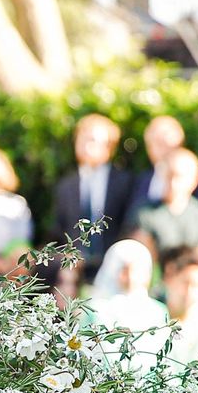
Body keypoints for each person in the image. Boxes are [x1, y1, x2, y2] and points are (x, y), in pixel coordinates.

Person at [50, 114, 134, 278]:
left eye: (93, 140)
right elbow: (58, 230)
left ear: (110, 147)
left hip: (114, 268)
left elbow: (129, 224)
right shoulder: (66, 186)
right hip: (73, 273)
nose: (86, 145)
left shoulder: (125, 182)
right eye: (82, 139)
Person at [127, 115, 198, 240]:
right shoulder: (141, 181)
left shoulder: (193, 180)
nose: (161, 150)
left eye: (165, 143)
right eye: (155, 143)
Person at [124, 148, 198, 270]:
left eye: (179, 176)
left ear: (195, 180)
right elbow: (141, 262)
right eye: (168, 175)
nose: (173, 183)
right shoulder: (144, 212)